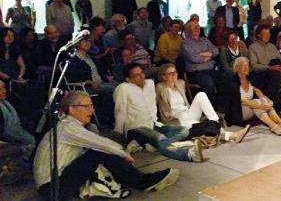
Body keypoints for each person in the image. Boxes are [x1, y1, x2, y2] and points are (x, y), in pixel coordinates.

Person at [34, 91, 179, 200]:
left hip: (57, 183)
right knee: (99, 151)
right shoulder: (68, 128)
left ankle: (127, 181)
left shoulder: (68, 125)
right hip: (53, 189)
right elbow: (101, 144)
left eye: (92, 106)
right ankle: (142, 181)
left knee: (97, 152)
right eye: (87, 106)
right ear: (72, 109)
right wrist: (123, 153)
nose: (92, 110)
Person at [113, 63, 204, 162]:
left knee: (183, 131)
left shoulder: (150, 84)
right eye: (136, 75)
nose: (141, 76)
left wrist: (156, 123)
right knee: (159, 137)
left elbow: (152, 106)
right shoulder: (123, 88)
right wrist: (118, 133)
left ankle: (152, 145)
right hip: (136, 127)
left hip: (152, 124)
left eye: (142, 73)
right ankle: (188, 155)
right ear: (128, 79)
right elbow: (120, 111)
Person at [155, 63, 250, 143]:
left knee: (201, 95)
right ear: (163, 76)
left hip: (188, 113)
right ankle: (232, 136)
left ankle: (216, 123)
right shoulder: (160, 88)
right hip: (176, 120)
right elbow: (152, 103)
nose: (174, 75)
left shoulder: (180, 83)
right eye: (170, 73)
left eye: (175, 72)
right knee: (201, 126)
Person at [180, 21, 242, 125]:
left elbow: (216, 50)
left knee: (227, 80)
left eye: (198, 26)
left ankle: (225, 108)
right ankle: (210, 110)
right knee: (209, 83)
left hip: (211, 70)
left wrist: (206, 54)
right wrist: (207, 55)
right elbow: (194, 58)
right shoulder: (185, 43)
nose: (197, 28)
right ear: (188, 30)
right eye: (194, 27)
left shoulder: (205, 40)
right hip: (196, 73)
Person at [233, 57, 281, 135]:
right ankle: (274, 127)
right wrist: (259, 105)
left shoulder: (248, 79)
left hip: (250, 107)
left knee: (263, 101)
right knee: (257, 102)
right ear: (237, 68)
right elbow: (241, 100)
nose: (246, 68)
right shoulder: (233, 81)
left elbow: (256, 90)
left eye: (247, 65)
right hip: (238, 111)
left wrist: (267, 101)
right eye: (244, 66)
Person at [248, 24, 281, 111]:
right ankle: (274, 102)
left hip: (276, 69)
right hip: (262, 73)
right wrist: (269, 67)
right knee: (274, 74)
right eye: (265, 34)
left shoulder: (272, 46)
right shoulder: (253, 47)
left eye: (268, 34)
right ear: (259, 35)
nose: (267, 36)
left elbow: (280, 60)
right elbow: (254, 66)